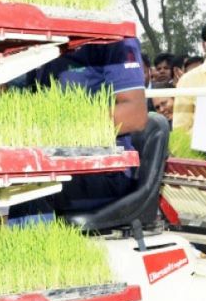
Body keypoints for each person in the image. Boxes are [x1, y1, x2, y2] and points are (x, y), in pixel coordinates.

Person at [28, 37, 148, 212]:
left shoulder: (114, 39)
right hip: (51, 160)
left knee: (32, 206)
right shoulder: (39, 44)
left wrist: (61, 129)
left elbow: (135, 115)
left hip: (101, 167)